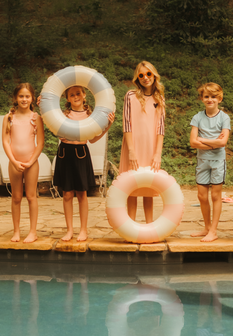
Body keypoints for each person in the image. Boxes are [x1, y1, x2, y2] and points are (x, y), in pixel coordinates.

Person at [53, 85, 114, 242]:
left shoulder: (90, 115)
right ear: (67, 99)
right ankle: (69, 230)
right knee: (66, 194)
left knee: (82, 194)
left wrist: (108, 126)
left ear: (84, 95)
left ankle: (83, 230)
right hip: (65, 154)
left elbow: (92, 139)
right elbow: (59, 134)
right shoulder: (63, 114)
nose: (75, 96)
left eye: (78, 93)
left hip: (81, 154)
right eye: (72, 95)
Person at [119, 61, 165, 223]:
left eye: (148, 74)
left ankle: (149, 226)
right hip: (133, 146)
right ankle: (131, 227)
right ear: (137, 78)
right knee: (132, 187)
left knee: (148, 187)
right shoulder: (130, 96)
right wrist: (131, 150)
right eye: (141, 75)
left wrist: (157, 153)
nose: (145, 78)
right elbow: (127, 124)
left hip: (151, 146)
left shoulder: (159, 97)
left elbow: (161, 127)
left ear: (154, 75)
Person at [2, 83, 44, 243]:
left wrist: (31, 161)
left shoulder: (36, 118)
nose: (24, 99)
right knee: (16, 197)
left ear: (32, 98)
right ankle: (16, 231)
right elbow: (5, 141)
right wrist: (13, 161)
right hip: (14, 162)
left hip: (31, 162)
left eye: (27, 96)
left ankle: (33, 232)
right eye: (21, 96)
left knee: (31, 196)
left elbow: (40, 143)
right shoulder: (9, 118)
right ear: (15, 98)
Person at [189, 83, 230, 242]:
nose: (210, 99)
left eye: (213, 97)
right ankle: (206, 227)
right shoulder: (197, 117)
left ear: (219, 98)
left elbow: (223, 142)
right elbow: (193, 142)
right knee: (202, 196)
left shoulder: (224, 117)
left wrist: (202, 139)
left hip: (218, 161)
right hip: (202, 161)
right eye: (206, 96)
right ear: (202, 98)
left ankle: (213, 230)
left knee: (215, 196)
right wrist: (213, 142)